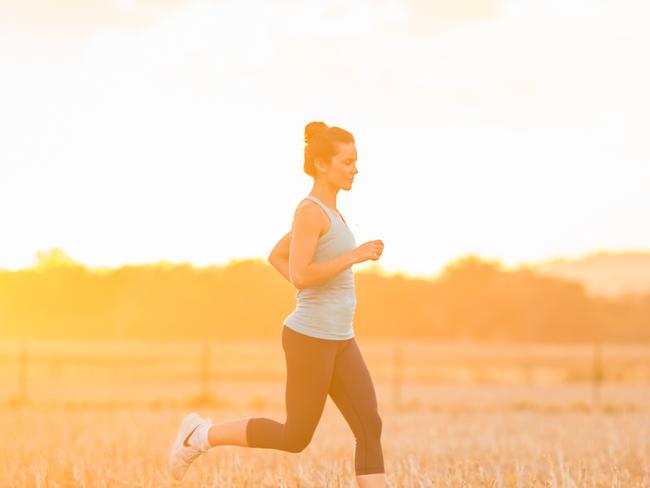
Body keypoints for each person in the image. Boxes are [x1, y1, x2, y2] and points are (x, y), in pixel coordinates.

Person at [168, 121, 386, 487]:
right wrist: (354, 256)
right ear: (322, 165)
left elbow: (276, 255)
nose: (355, 169)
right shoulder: (310, 211)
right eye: (347, 161)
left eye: (355, 161)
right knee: (295, 437)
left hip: (340, 337)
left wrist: (315, 287)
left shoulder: (329, 213)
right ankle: (199, 436)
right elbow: (301, 274)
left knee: (369, 424)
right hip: (311, 338)